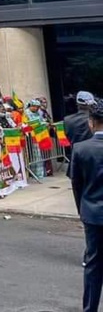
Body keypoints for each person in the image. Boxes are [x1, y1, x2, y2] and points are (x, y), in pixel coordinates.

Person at [71, 98, 103, 312]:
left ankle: (90, 308)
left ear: (91, 123)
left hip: (92, 213)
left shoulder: (80, 149)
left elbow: (77, 185)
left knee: (93, 264)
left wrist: (82, 210)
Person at [66, 91, 96, 177]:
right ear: (90, 104)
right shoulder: (95, 119)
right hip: (93, 158)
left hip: (76, 158)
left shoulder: (67, 120)